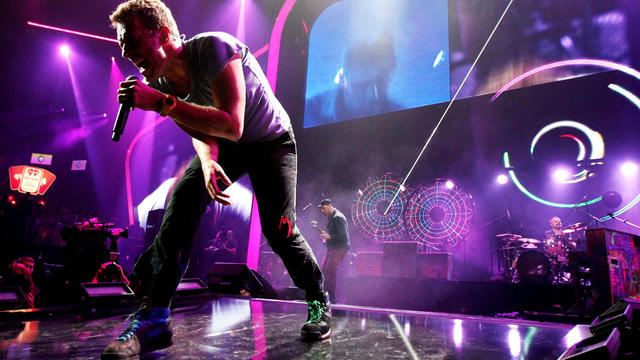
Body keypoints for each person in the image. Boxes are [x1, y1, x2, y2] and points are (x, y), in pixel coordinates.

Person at [103, 1, 329, 358]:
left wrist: (162, 103)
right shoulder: (160, 79)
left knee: (279, 228)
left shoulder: (214, 47)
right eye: (122, 45)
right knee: (181, 203)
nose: (127, 52)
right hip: (225, 143)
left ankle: (317, 297)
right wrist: (207, 162)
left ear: (161, 33)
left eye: (130, 40)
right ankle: (156, 318)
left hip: (270, 141)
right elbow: (198, 128)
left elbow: (232, 124)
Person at [317, 199, 350, 303]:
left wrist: (329, 236)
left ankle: (331, 298)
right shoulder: (332, 217)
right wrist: (327, 238)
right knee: (323, 271)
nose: (322, 210)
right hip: (334, 248)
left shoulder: (338, 218)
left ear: (330, 205)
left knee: (330, 272)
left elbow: (343, 236)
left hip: (340, 248)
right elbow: (335, 235)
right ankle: (325, 295)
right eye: (321, 209)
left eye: (324, 208)